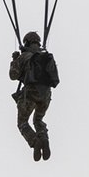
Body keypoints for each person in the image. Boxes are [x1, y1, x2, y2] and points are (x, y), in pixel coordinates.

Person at [9, 31, 60, 161]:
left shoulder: (24, 56)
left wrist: (14, 60)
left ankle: (35, 141)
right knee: (38, 120)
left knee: (22, 122)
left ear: (26, 42)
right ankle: (44, 138)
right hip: (46, 95)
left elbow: (13, 76)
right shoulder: (44, 57)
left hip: (31, 93)